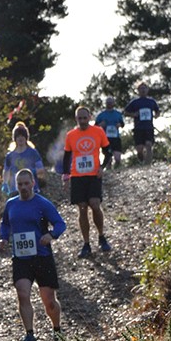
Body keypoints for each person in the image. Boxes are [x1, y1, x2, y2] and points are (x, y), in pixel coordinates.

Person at [0, 169, 67, 341]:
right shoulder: (11, 204)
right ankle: (30, 335)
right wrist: (3, 238)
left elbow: (60, 223)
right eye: (19, 184)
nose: (23, 187)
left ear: (33, 183)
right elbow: (5, 224)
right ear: (16, 185)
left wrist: (51, 235)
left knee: (49, 301)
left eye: (26, 183)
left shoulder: (42, 204)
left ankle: (57, 329)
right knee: (22, 294)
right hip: (21, 258)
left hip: (42, 257)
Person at [62, 105, 111, 258]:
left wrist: (102, 167)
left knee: (95, 204)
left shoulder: (98, 131)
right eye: (79, 118)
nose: (82, 121)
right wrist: (66, 176)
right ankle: (86, 243)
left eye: (85, 118)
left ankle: (101, 236)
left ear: (90, 117)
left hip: (94, 175)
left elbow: (107, 152)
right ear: (76, 119)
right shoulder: (71, 135)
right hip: (77, 176)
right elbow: (66, 157)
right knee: (82, 208)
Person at [1, 122, 47, 197]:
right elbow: (6, 171)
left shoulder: (33, 152)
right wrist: (5, 183)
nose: (20, 138)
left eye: (22, 136)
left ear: (26, 138)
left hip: (32, 190)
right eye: (18, 136)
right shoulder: (10, 156)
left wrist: (32, 172)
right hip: (15, 191)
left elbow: (41, 169)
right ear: (15, 139)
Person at [124, 83, 160, 163]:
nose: (143, 90)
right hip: (138, 128)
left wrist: (156, 115)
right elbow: (125, 112)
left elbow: (157, 110)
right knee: (139, 149)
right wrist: (133, 114)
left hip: (149, 127)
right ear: (138, 90)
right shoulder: (135, 102)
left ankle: (148, 164)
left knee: (149, 145)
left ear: (147, 90)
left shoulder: (151, 101)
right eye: (141, 88)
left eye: (144, 88)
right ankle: (142, 161)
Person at [95, 97, 125, 170]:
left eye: (111, 102)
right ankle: (109, 172)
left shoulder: (118, 114)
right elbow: (95, 127)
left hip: (116, 138)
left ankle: (117, 170)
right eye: (108, 103)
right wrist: (100, 125)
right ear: (105, 104)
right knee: (108, 159)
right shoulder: (101, 115)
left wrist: (119, 125)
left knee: (117, 158)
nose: (109, 104)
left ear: (113, 103)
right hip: (106, 139)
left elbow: (122, 124)